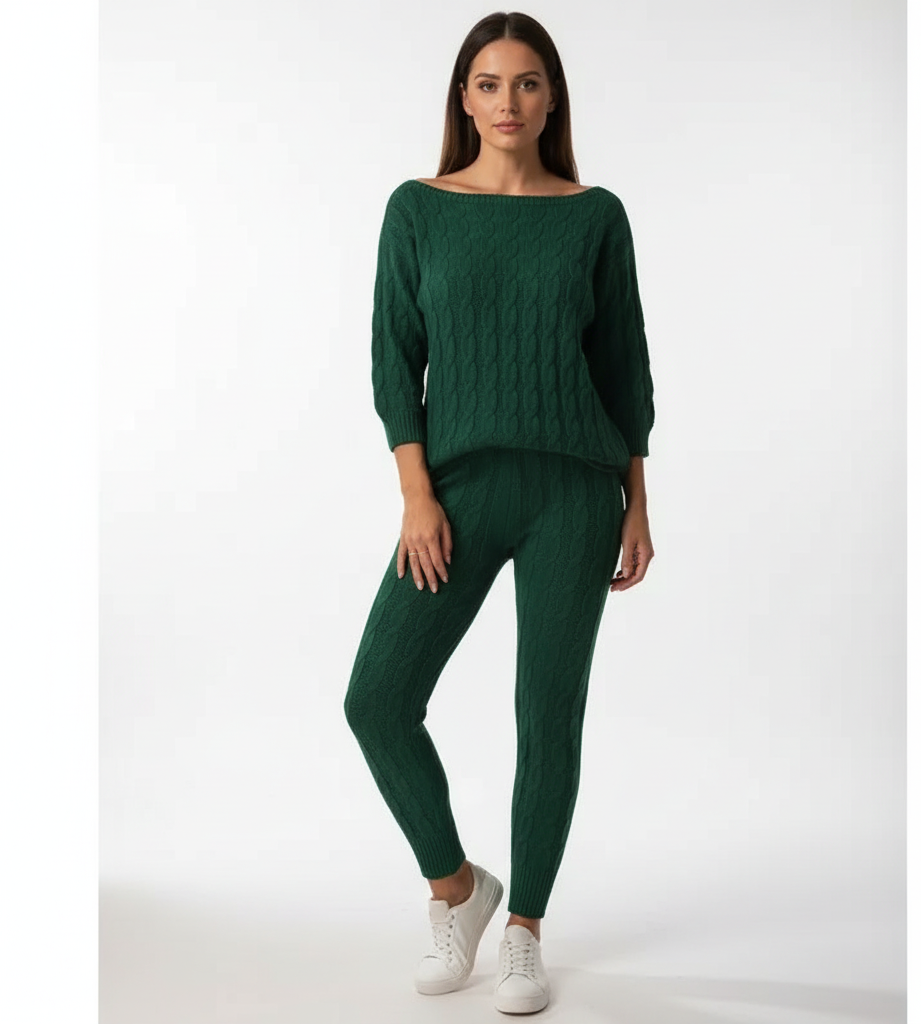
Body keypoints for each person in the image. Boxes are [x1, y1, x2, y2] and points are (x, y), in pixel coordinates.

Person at [343, 11, 656, 1015]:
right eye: (489, 83)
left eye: (526, 82)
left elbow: (624, 366)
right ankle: (457, 889)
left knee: (547, 715)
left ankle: (524, 930)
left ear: (551, 97)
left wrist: (636, 500)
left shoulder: (594, 215)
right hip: (459, 491)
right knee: (377, 699)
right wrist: (416, 494)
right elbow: (395, 358)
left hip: (576, 493)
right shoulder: (417, 208)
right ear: (464, 99)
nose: (508, 101)